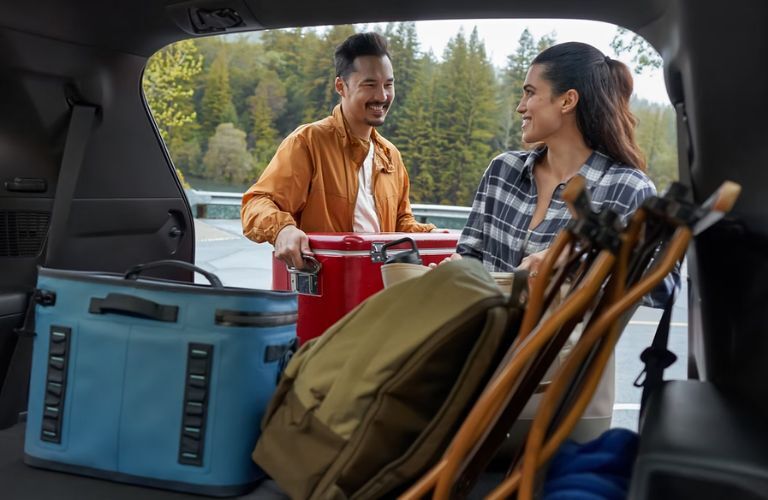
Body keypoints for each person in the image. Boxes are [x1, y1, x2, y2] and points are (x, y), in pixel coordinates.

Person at [452, 41, 678, 307]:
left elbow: (663, 287)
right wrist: (456, 270)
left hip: (563, 336)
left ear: (567, 100)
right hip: (486, 330)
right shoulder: (502, 171)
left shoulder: (627, 188)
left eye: (530, 93)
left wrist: (575, 260)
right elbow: (470, 254)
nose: (520, 107)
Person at [241, 32, 435, 269]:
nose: (382, 96)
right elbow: (257, 203)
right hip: (323, 281)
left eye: (388, 84)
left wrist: (434, 235)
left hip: (379, 283)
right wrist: (283, 229)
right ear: (341, 86)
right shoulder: (308, 142)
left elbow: (401, 222)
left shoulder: (390, 155)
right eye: (370, 85)